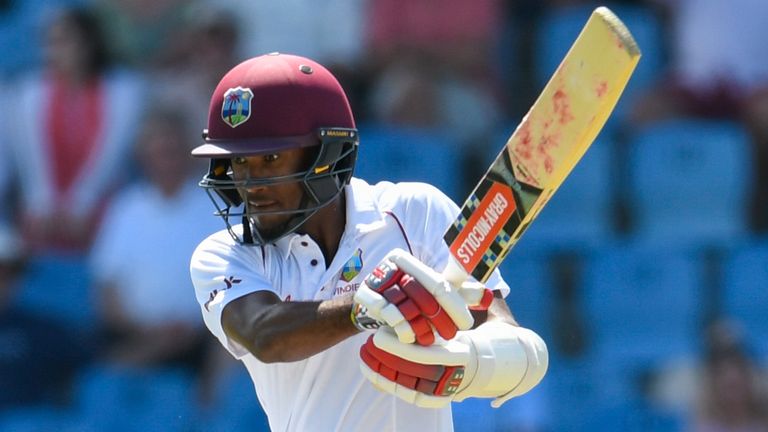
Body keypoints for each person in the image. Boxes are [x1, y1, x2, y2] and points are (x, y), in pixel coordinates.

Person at [189, 53, 548, 431]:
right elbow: (264, 333)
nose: (251, 185)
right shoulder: (223, 254)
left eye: (271, 158)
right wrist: (366, 307)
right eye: (240, 164)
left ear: (328, 154)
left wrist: (473, 360)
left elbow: (502, 328)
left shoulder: (416, 213)